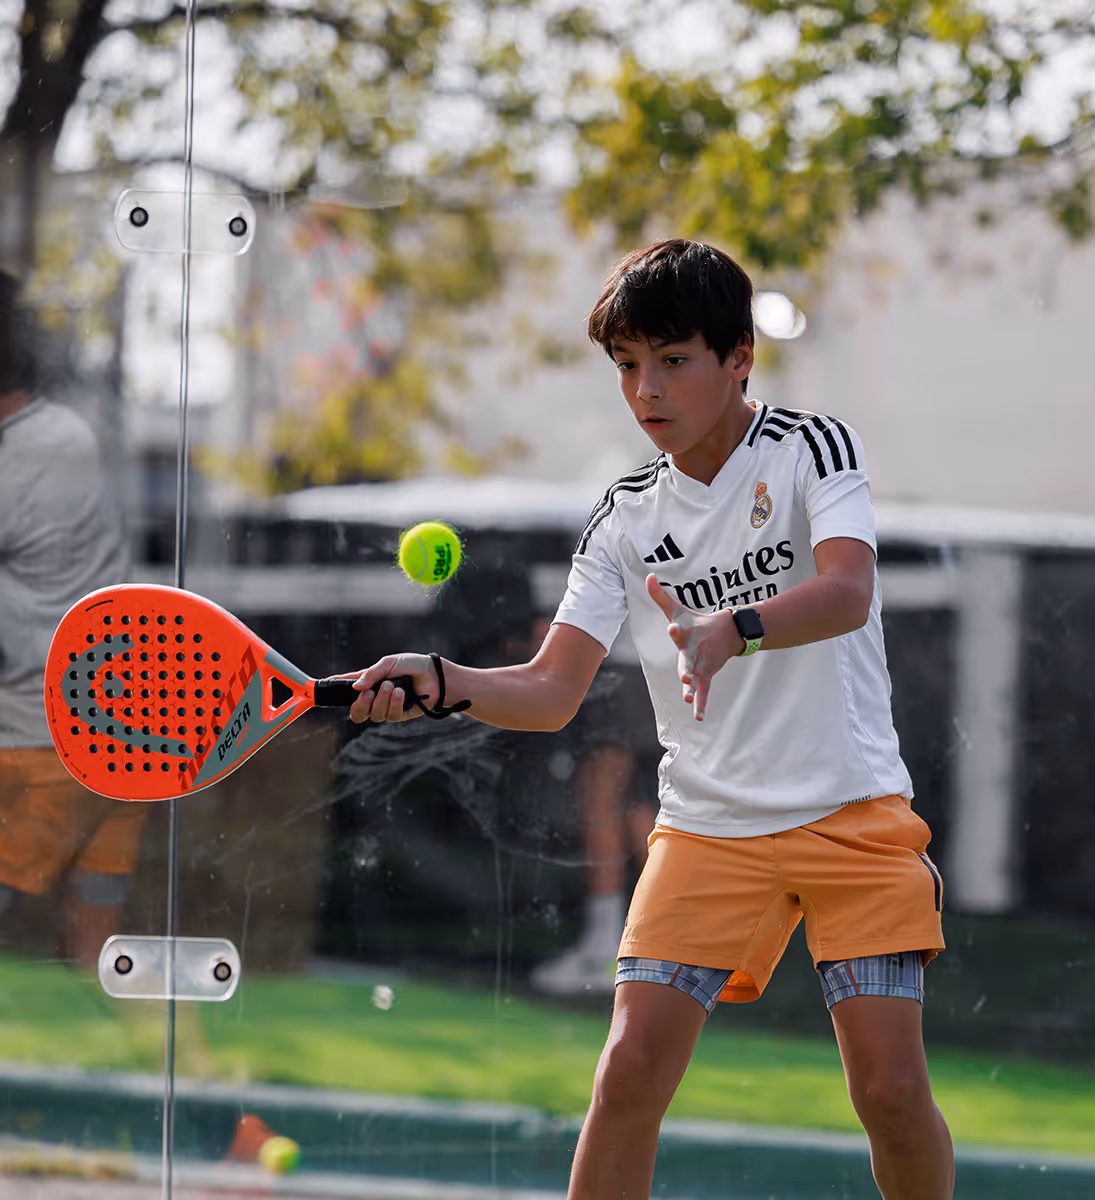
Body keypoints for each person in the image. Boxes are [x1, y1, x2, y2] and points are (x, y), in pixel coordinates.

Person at [348, 239, 954, 1200]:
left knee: (888, 1091)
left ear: (738, 356)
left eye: (672, 360)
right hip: (707, 832)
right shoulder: (624, 517)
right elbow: (551, 692)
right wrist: (442, 676)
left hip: (853, 817)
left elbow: (845, 592)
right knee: (628, 1073)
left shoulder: (812, 448)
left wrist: (734, 628)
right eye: (628, 364)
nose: (646, 389)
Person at [0, 269, 142, 965]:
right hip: (95, 738)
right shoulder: (55, 437)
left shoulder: (40, 447)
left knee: (94, 952)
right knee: (95, 958)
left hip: (50, 748)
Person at [530, 642, 657, 997]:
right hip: (646, 664)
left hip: (619, 663)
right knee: (632, 801)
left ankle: (603, 954)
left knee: (602, 793)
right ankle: (664, 941)